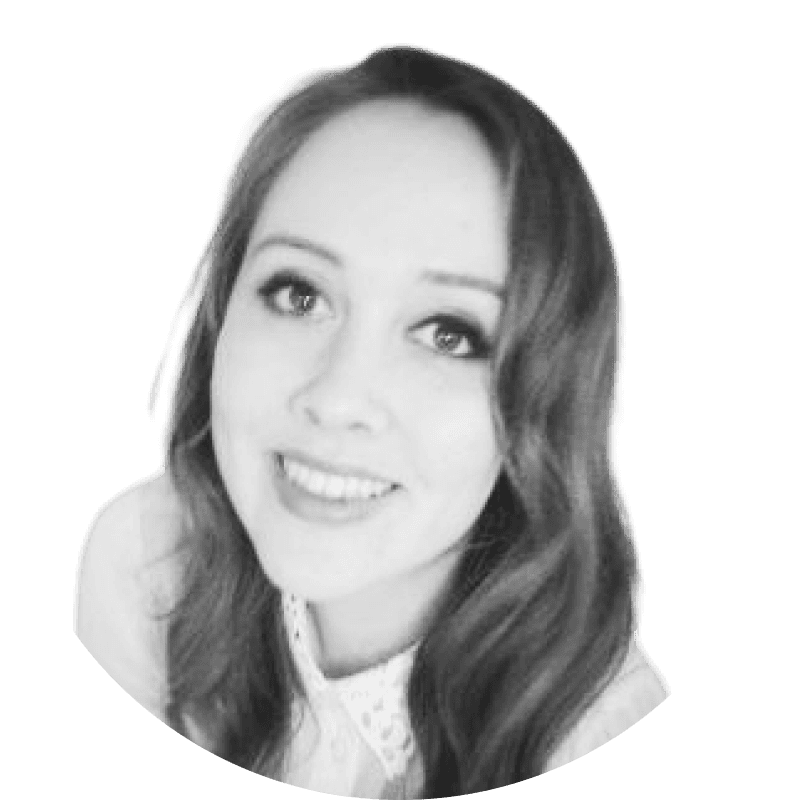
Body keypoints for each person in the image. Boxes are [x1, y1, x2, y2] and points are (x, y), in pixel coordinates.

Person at [74, 44, 669, 799]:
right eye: (298, 294)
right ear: (224, 309)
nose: (337, 399)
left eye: (449, 333)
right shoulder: (144, 561)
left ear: (545, 399)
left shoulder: (606, 737)